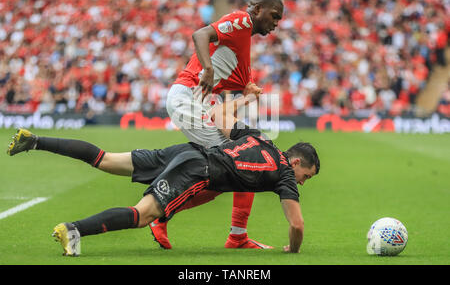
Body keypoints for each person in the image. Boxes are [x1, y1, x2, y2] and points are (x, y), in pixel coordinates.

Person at [6, 95, 320, 256]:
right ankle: (73, 230)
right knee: (143, 215)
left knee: (105, 159)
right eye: (307, 174)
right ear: (295, 162)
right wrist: (293, 249)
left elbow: (219, 115)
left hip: (185, 152)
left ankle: (35, 140)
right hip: (197, 170)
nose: (304, 181)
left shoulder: (258, 138)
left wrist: (246, 98)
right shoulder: (284, 175)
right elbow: (297, 224)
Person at [149, 0, 284, 249]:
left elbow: (236, 76)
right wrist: (208, 70)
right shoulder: (242, 21)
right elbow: (200, 34)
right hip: (189, 98)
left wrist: (249, 88)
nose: (276, 23)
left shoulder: (243, 39)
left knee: (245, 160)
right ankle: (159, 214)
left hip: (202, 101)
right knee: (238, 164)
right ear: (256, 10)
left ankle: (236, 235)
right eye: (274, 16)